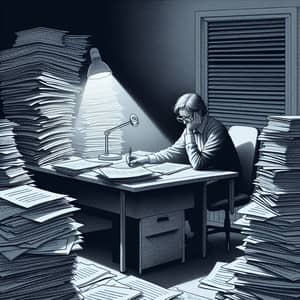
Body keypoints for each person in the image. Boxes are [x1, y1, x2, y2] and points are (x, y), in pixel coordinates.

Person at [130, 93, 240, 240]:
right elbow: (172, 153)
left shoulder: (216, 130)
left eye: (186, 118)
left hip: (229, 184)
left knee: (190, 192)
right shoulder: (191, 126)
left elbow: (198, 164)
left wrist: (189, 132)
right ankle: (181, 236)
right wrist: (145, 159)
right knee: (180, 191)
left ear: (199, 113)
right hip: (209, 180)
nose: (183, 122)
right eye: (181, 118)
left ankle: (197, 238)